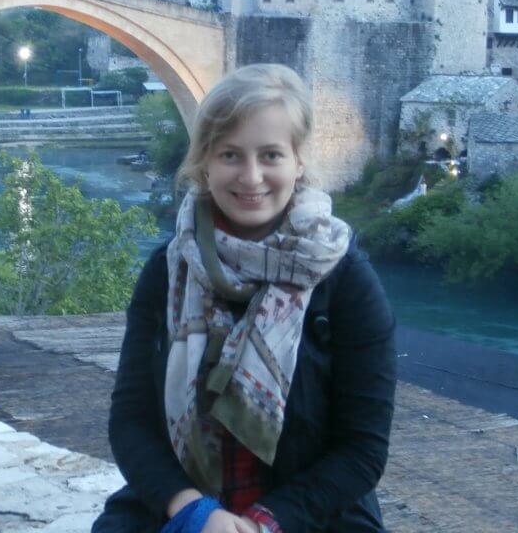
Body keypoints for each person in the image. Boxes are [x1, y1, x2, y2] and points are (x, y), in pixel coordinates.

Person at [93, 64, 396, 533]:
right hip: (184, 508)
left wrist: (263, 524)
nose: (251, 176)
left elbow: (362, 449)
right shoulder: (166, 271)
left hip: (311, 518)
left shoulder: (346, 279)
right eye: (231, 154)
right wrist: (194, 510)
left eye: (271, 155)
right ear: (204, 164)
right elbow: (131, 422)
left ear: (299, 164)